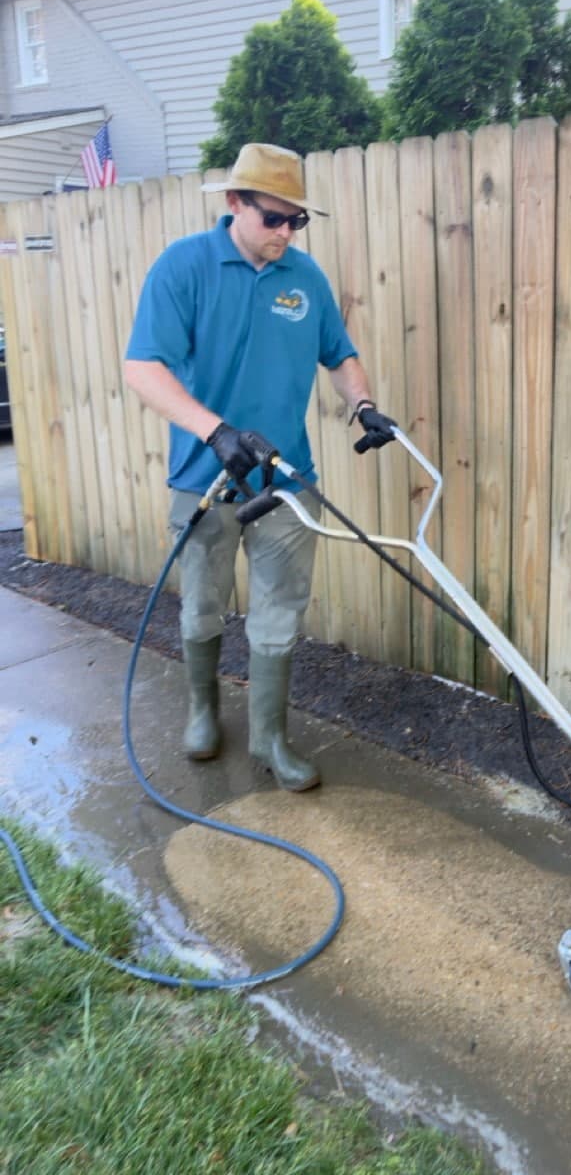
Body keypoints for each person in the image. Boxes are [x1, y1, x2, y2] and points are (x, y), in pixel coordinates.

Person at [124, 142, 395, 792]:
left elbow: (341, 354)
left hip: (287, 481)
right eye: (273, 218)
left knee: (280, 612)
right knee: (204, 607)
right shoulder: (183, 268)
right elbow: (142, 368)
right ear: (234, 204)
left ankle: (271, 738)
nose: (285, 233)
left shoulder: (305, 280)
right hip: (204, 478)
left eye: (295, 221)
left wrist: (363, 406)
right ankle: (201, 713)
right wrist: (213, 431)